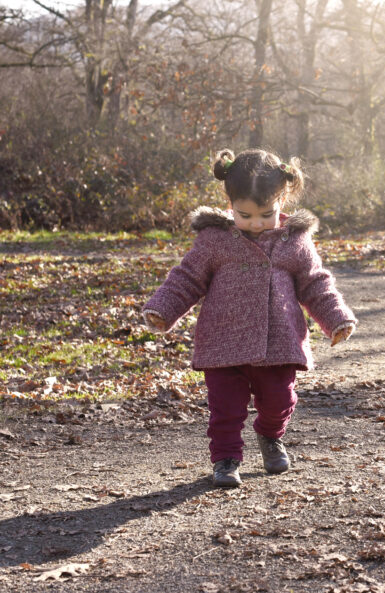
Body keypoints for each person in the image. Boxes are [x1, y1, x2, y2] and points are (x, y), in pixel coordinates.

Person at [142, 148, 356, 487]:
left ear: (282, 199)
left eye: (265, 215)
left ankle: (270, 436)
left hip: (279, 341)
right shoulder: (214, 240)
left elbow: (316, 283)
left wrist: (335, 318)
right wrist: (163, 310)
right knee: (225, 408)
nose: (255, 223)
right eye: (244, 215)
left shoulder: (295, 242)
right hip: (222, 341)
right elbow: (187, 278)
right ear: (229, 203)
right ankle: (226, 459)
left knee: (279, 401)